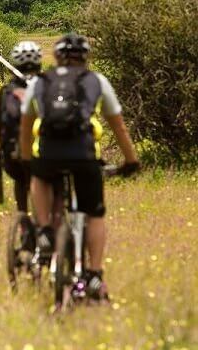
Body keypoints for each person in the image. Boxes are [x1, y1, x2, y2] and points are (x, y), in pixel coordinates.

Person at [19, 33, 139, 300]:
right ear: (86, 58)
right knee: (94, 214)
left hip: (48, 155)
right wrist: (131, 160)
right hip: (84, 157)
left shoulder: (40, 81)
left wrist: (28, 160)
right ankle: (94, 275)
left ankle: (46, 231)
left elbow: (26, 127)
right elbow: (118, 125)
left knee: (39, 177)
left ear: (57, 56)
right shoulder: (97, 81)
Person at [0, 41, 42, 215]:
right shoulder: (49, 88)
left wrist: (4, 148)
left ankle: (23, 219)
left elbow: (0, 124)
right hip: (47, 151)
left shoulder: (6, 91)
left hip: (14, 153)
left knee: (20, 181)